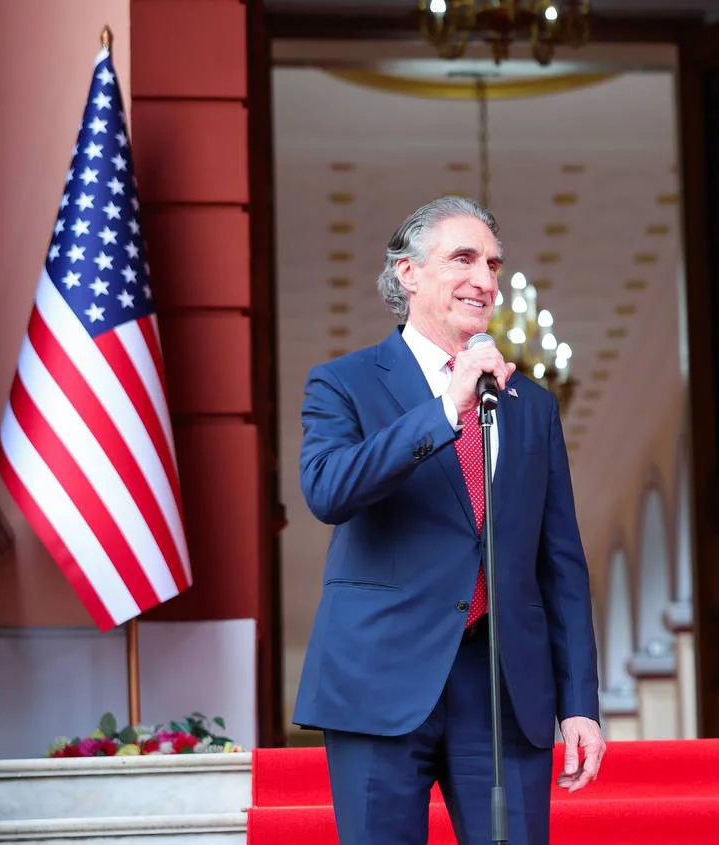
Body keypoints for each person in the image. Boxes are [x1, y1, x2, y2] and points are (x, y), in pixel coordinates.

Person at [292, 195, 605, 845]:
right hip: (378, 681)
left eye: (493, 262)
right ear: (408, 273)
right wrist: (444, 408)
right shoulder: (344, 383)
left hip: (501, 684)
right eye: (463, 258)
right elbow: (328, 490)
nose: (486, 278)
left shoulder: (532, 406)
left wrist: (579, 702)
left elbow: (561, 564)